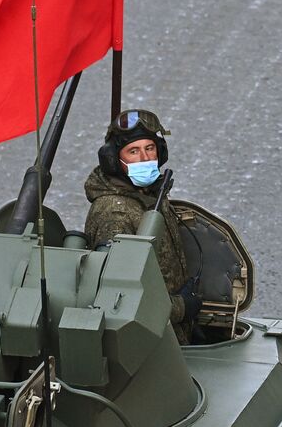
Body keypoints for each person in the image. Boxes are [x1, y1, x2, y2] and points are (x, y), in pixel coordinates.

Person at [84, 109, 199, 344]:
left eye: (150, 148)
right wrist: (181, 308)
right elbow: (117, 300)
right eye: (133, 151)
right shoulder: (114, 213)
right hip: (145, 341)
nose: (145, 158)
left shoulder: (149, 195)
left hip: (168, 330)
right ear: (114, 160)